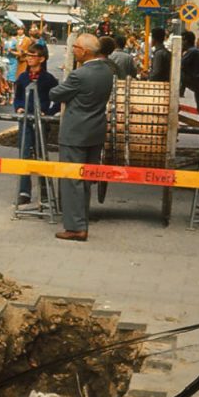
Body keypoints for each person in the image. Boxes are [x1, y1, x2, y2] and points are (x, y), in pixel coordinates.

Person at [49, 33, 114, 242]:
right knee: (86, 180)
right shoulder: (107, 71)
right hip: (95, 132)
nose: (72, 50)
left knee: (72, 180)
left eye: (75, 47)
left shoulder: (80, 75)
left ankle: (75, 228)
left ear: (84, 51)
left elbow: (56, 94)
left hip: (75, 133)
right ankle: (81, 220)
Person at [13, 43, 59, 209]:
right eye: (28, 55)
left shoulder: (49, 79)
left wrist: (50, 113)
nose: (29, 59)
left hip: (41, 122)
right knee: (24, 154)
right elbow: (17, 97)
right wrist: (18, 107)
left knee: (41, 155)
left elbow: (59, 98)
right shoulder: (23, 78)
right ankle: (24, 192)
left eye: (33, 56)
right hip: (25, 120)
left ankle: (45, 192)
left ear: (42, 59)